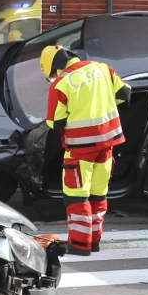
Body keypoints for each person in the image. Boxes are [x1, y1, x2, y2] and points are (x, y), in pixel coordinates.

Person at [41, 44, 131, 256]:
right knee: (98, 195)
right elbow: (125, 94)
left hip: (80, 148)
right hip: (108, 144)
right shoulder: (103, 68)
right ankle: (95, 241)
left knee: (76, 197)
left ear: (53, 68)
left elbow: (55, 122)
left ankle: (80, 245)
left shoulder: (61, 84)